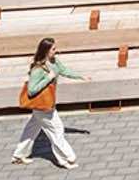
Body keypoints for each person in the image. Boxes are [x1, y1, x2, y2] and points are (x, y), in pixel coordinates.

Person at [12, 34, 85, 168]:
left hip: (48, 102)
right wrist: (48, 78)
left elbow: (64, 70)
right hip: (43, 107)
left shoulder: (54, 62)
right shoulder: (38, 69)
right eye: (53, 49)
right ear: (45, 51)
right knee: (57, 130)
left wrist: (81, 76)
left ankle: (19, 154)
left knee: (32, 129)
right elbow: (31, 90)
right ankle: (65, 159)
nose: (55, 51)